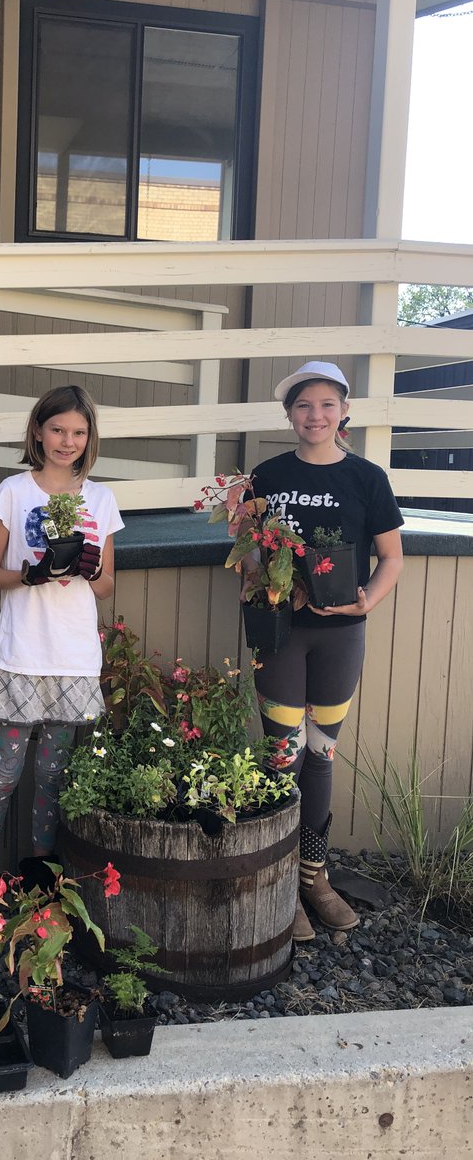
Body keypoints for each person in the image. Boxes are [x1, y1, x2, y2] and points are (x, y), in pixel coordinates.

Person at [250, 361, 404, 942]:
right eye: (302, 406)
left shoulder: (367, 478)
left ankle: (314, 877)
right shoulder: (266, 475)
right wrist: (255, 576)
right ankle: (281, 879)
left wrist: (365, 602)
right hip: (282, 634)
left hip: (341, 637)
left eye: (325, 405)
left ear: (345, 412)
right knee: (281, 755)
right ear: (289, 415)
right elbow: (247, 551)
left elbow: (391, 556)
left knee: (320, 753)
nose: (314, 415)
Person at [0, 386, 122, 884]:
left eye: (79, 432)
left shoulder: (100, 498)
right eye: (58, 429)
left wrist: (89, 565)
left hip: (74, 655)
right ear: (38, 431)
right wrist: (30, 574)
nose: (67, 441)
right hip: (23, 652)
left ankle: (42, 871)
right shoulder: (15, 492)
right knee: (6, 767)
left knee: (53, 772)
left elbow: (104, 588)